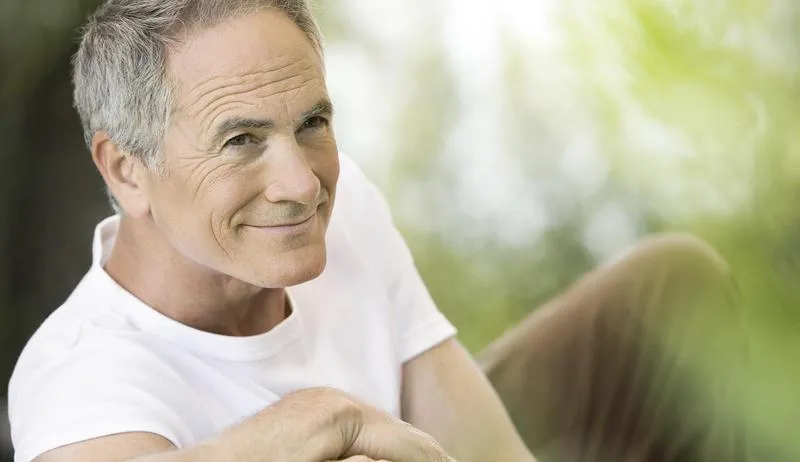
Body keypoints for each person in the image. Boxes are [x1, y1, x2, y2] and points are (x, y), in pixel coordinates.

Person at [6, 1, 749, 461]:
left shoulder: (346, 202)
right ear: (127, 170)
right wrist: (319, 422)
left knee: (671, 286)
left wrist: (348, 421)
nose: (303, 184)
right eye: (241, 141)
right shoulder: (80, 379)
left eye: (312, 122)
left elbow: (486, 450)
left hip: (417, 446)